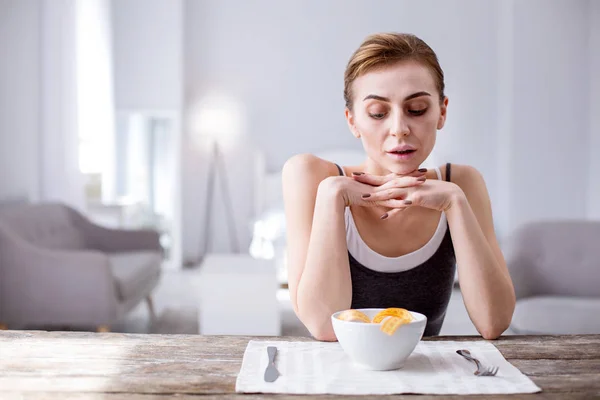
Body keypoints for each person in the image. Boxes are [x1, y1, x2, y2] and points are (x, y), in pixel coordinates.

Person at [282, 32, 515, 341]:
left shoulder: (461, 183)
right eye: (378, 113)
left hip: (431, 381)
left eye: (416, 109)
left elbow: (493, 322)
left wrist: (455, 203)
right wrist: (331, 196)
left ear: (441, 112)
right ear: (352, 121)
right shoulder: (310, 176)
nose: (399, 129)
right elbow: (324, 327)